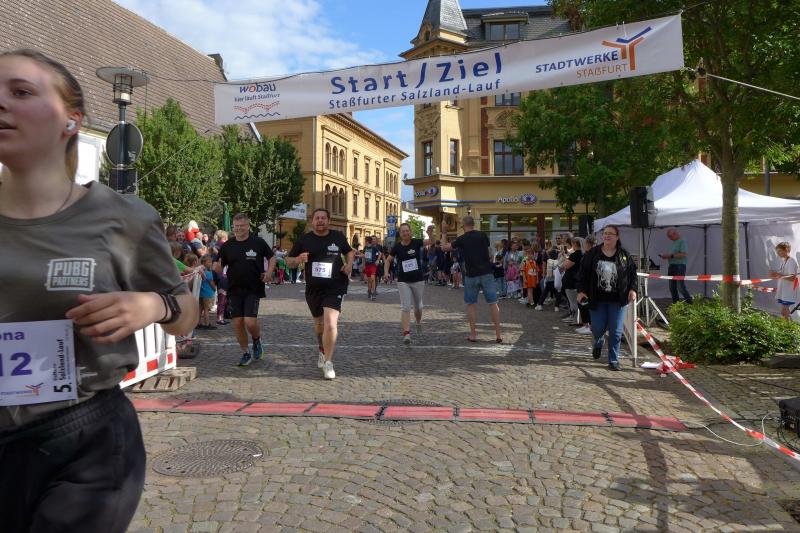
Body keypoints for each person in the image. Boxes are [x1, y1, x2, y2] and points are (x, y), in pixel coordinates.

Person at [0, 49, 197, 533]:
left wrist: (152, 305)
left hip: (83, 440)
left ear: (72, 120)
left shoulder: (123, 218)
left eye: (21, 92)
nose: (2, 103)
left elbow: (186, 312)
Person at [286, 208, 353, 379]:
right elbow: (289, 262)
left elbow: (349, 252)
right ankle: (322, 349)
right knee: (319, 325)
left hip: (335, 286)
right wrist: (298, 259)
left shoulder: (338, 237)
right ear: (312, 221)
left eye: (323, 218)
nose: (320, 220)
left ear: (328, 220)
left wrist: (349, 264)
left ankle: (328, 363)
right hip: (314, 289)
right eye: (317, 218)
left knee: (330, 322)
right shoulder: (304, 239)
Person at [213, 213, 275, 367]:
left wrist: (269, 272)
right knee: (238, 322)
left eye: (242, 226)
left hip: (253, 288)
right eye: (236, 226)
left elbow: (272, 257)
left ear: (248, 226)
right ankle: (246, 352)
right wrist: (217, 267)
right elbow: (218, 265)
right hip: (234, 288)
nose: (239, 229)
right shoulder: (227, 246)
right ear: (233, 227)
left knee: (250, 322)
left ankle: (256, 340)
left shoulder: (258, 242)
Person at [577, 225, 637, 371]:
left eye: (611, 234)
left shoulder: (624, 255)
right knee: (597, 328)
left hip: (618, 300)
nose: (607, 236)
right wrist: (581, 291)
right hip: (597, 299)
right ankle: (599, 341)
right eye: (605, 233)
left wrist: (633, 289)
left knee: (616, 331)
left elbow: (632, 274)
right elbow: (582, 273)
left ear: (617, 237)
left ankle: (613, 360)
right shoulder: (593, 253)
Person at [443, 216, 502, 343]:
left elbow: (444, 248)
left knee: (471, 304)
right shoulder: (483, 235)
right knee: (493, 303)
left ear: (464, 226)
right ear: (473, 224)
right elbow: (488, 252)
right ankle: (498, 335)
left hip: (471, 275)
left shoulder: (462, 239)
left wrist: (444, 232)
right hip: (486, 273)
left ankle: (473, 334)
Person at [384, 223, 426, 344]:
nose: (406, 233)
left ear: (410, 232)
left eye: (407, 231)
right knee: (406, 307)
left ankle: (418, 322)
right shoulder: (397, 247)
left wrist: (430, 234)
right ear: (400, 234)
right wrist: (386, 273)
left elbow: (432, 241)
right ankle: (406, 334)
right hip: (403, 281)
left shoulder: (416, 242)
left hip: (418, 280)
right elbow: (388, 260)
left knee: (418, 306)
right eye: (403, 231)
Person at [659, 228, 693, 304]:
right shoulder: (674, 242)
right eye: (669, 237)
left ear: (675, 234)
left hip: (679, 266)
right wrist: (667, 256)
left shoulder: (682, 241)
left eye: (670, 236)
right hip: (672, 266)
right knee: (672, 287)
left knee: (680, 287)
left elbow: (684, 254)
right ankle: (676, 305)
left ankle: (690, 303)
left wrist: (670, 256)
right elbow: (674, 255)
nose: (670, 238)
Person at [770, 241, 799, 321]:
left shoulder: (791, 261)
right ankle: (790, 326)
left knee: (784, 312)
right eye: (777, 251)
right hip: (784, 291)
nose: (778, 253)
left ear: (786, 250)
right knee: (785, 312)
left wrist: (780, 275)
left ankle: (788, 326)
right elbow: (783, 273)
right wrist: (775, 274)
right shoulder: (784, 261)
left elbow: (792, 277)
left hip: (788, 291)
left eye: (779, 251)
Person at [560, 237, 584, 324]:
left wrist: (566, 259)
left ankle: (576, 319)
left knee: (573, 301)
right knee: (575, 301)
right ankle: (574, 318)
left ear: (574, 244)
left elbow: (565, 265)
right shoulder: (582, 254)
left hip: (571, 281)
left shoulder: (575, 255)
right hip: (576, 280)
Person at [197, 254, 217, 329]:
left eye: (211, 262)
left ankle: (198, 323)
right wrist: (214, 289)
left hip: (201, 293)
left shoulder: (200, 272)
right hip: (208, 294)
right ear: (204, 263)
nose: (210, 263)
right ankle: (207, 324)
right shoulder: (208, 273)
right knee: (206, 310)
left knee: (200, 309)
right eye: (209, 262)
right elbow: (211, 283)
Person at [362, 236, 382, 300]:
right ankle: (369, 290)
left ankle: (373, 292)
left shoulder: (374, 248)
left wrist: (377, 260)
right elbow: (364, 256)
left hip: (373, 265)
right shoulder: (365, 248)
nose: (364, 242)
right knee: (369, 280)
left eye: (365, 241)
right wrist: (363, 264)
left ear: (367, 241)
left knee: (373, 278)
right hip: (367, 265)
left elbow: (380, 253)